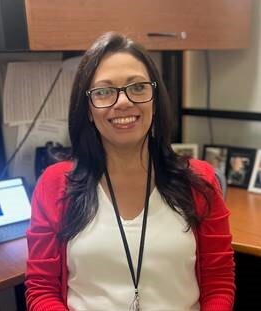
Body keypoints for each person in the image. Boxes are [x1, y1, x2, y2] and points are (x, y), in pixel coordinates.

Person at [25, 32, 235, 311]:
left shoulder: (199, 181)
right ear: (87, 108)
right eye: (103, 92)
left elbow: (218, 282)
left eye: (137, 87)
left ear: (154, 97)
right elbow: (41, 290)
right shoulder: (54, 185)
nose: (123, 102)